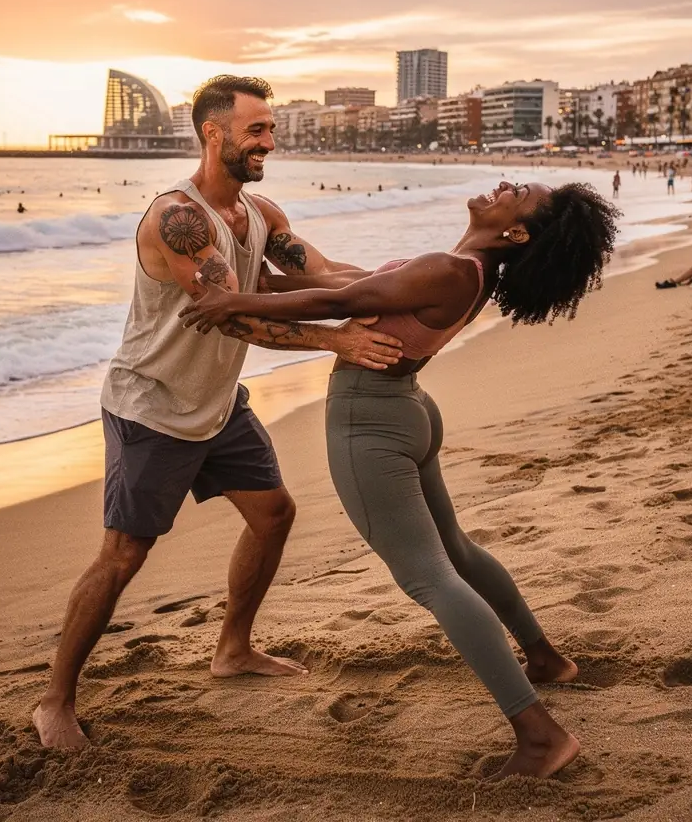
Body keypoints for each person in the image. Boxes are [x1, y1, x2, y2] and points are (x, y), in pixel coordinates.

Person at [181, 179, 621, 779]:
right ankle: (545, 660)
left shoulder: (450, 268)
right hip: (407, 409)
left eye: (518, 193)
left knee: (430, 578)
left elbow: (339, 303)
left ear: (516, 232)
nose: (503, 185)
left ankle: (540, 735)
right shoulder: (466, 269)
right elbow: (342, 287)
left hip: (371, 422)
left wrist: (234, 304)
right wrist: (257, 279)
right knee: (457, 553)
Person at [33, 76, 403, 750]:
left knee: (274, 515)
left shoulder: (261, 213)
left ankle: (233, 650)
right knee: (123, 555)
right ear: (214, 133)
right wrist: (336, 339)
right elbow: (236, 317)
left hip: (216, 404)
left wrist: (411, 282)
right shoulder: (181, 219)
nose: (270, 141)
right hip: (154, 406)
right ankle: (55, 701)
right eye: (257, 129)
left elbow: (321, 273)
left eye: (270, 128)